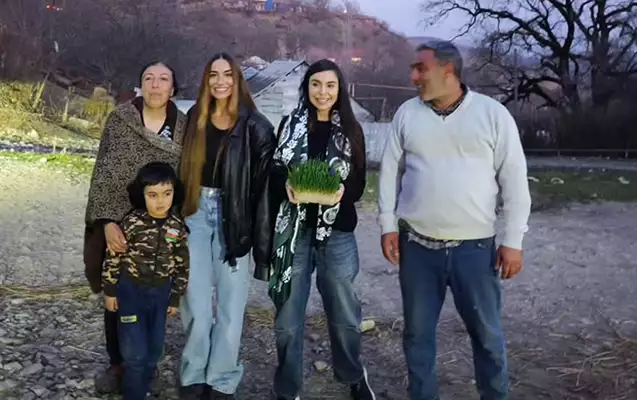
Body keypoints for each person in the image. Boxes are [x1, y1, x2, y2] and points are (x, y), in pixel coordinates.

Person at [378, 40, 532, 400]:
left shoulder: (492, 115)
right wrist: (387, 224)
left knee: (487, 336)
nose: (413, 76)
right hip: (417, 248)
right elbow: (389, 171)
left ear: (448, 70)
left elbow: (514, 180)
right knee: (417, 335)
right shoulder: (407, 114)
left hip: (474, 250)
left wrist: (513, 240)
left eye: (421, 69)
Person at [268, 59, 376, 400]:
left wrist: (342, 192)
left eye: (330, 85)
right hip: (294, 232)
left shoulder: (352, 130)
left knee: (345, 314)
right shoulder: (290, 125)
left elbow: (358, 184)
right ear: (307, 88)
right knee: (287, 318)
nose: (323, 92)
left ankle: (353, 375)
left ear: (339, 89)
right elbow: (274, 173)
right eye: (316, 84)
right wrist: (286, 185)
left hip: (337, 234)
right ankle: (287, 388)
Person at [83, 61, 187, 395]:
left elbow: (185, 179)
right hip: (118, 224)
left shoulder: (184, 128)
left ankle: (146, 364)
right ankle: (118, 364)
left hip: (161, 227)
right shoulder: (120, 120)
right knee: (117, 291)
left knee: (154, 296)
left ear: (173, 88)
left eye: (163, 79)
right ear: (141, 85)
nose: (155, 85)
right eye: (148, 79)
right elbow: (104, 174)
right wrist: (107, 223)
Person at [177, 52, 277, 400]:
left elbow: (265, 188)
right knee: (196, 303)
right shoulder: (196, 117)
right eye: (213, 75)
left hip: (235, 218)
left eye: (227, 75)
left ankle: (221, 379)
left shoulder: (256, 126)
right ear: (206, 81)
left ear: (237, 80)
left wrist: (261, 243)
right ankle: (193, 374)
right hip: (195, 212)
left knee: (231, 308)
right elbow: (179, 169)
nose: (220, 81)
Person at [102, 161, 189, 400]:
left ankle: (147, 380)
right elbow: (113, 257)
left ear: (175, 193)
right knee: (134, 353)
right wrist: (110, 291)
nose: (160, 201)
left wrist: (176, 296)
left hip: (160, 294)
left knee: (154, 349)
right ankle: (134, 392)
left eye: (167, 194)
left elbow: (182, 263)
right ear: (142, 195)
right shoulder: (131, 223)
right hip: (130, 292)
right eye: (153, 195)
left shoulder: (177, 226)